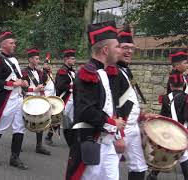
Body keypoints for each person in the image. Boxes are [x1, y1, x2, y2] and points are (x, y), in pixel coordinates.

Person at [65, 21, 125, 180]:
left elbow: (111, 107)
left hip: (108, 143)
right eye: (117, 47)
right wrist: (112, 123)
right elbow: (86, 111)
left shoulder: (110, 72)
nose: (121, 50)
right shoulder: (88, 73)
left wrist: (118, 134)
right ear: (106, 50)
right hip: (91, 142)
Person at [0, 31, 29, 170]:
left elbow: (18, 77)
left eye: (14, 42)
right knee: (1, 127)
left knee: (20, 127)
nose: (14, 45)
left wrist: (24, 82)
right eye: (11, 42)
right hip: (7, 99)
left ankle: (14, 158)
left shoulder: (14, 59)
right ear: (3, 44)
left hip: (18, 98)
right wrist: (14, 84)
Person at [115, 26, 148, 180]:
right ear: (116, 49)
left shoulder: (126, 70)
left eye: (131, 48)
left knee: (139, 166)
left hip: (132, 125)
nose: (128, 51)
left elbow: (128, 100)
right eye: (124, 48)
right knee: (108, 170)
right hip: (119, 128)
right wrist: (119, 134)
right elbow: (112, 105)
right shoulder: (113, 72)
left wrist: (141, 115)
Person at [147, 59, 188, 180]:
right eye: (185, 62)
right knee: (184, 156)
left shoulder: (166, 98)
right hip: (183, 128)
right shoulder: (185, 98)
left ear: (171, 85)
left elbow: (163, 115)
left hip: (171, 127)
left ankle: (153, 175)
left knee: (167, 152)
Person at [21, 48, 51, 155]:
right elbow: (22, 89)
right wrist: (34, 89)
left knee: (40, 121)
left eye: (38, 58)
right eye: (36, 58)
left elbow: (43, 84)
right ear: (30, 59)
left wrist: (41, 89)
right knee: (23, 123)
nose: (38, 60)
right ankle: (18, 144)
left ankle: (39, 146)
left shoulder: (39, 72)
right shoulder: (24, 72)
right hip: (28, 99)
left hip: (38, 99)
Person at [53, 49, 76, 147]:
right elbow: (60, 86)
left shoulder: (71, 71)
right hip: (65, 99)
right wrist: (73, 87)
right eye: (72, 58)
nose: (74, 60)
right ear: (66, 59)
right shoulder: (62, 71)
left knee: (70, 120)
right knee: (62, 120)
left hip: (72, 99)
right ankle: (49, 137)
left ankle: (72, 140)